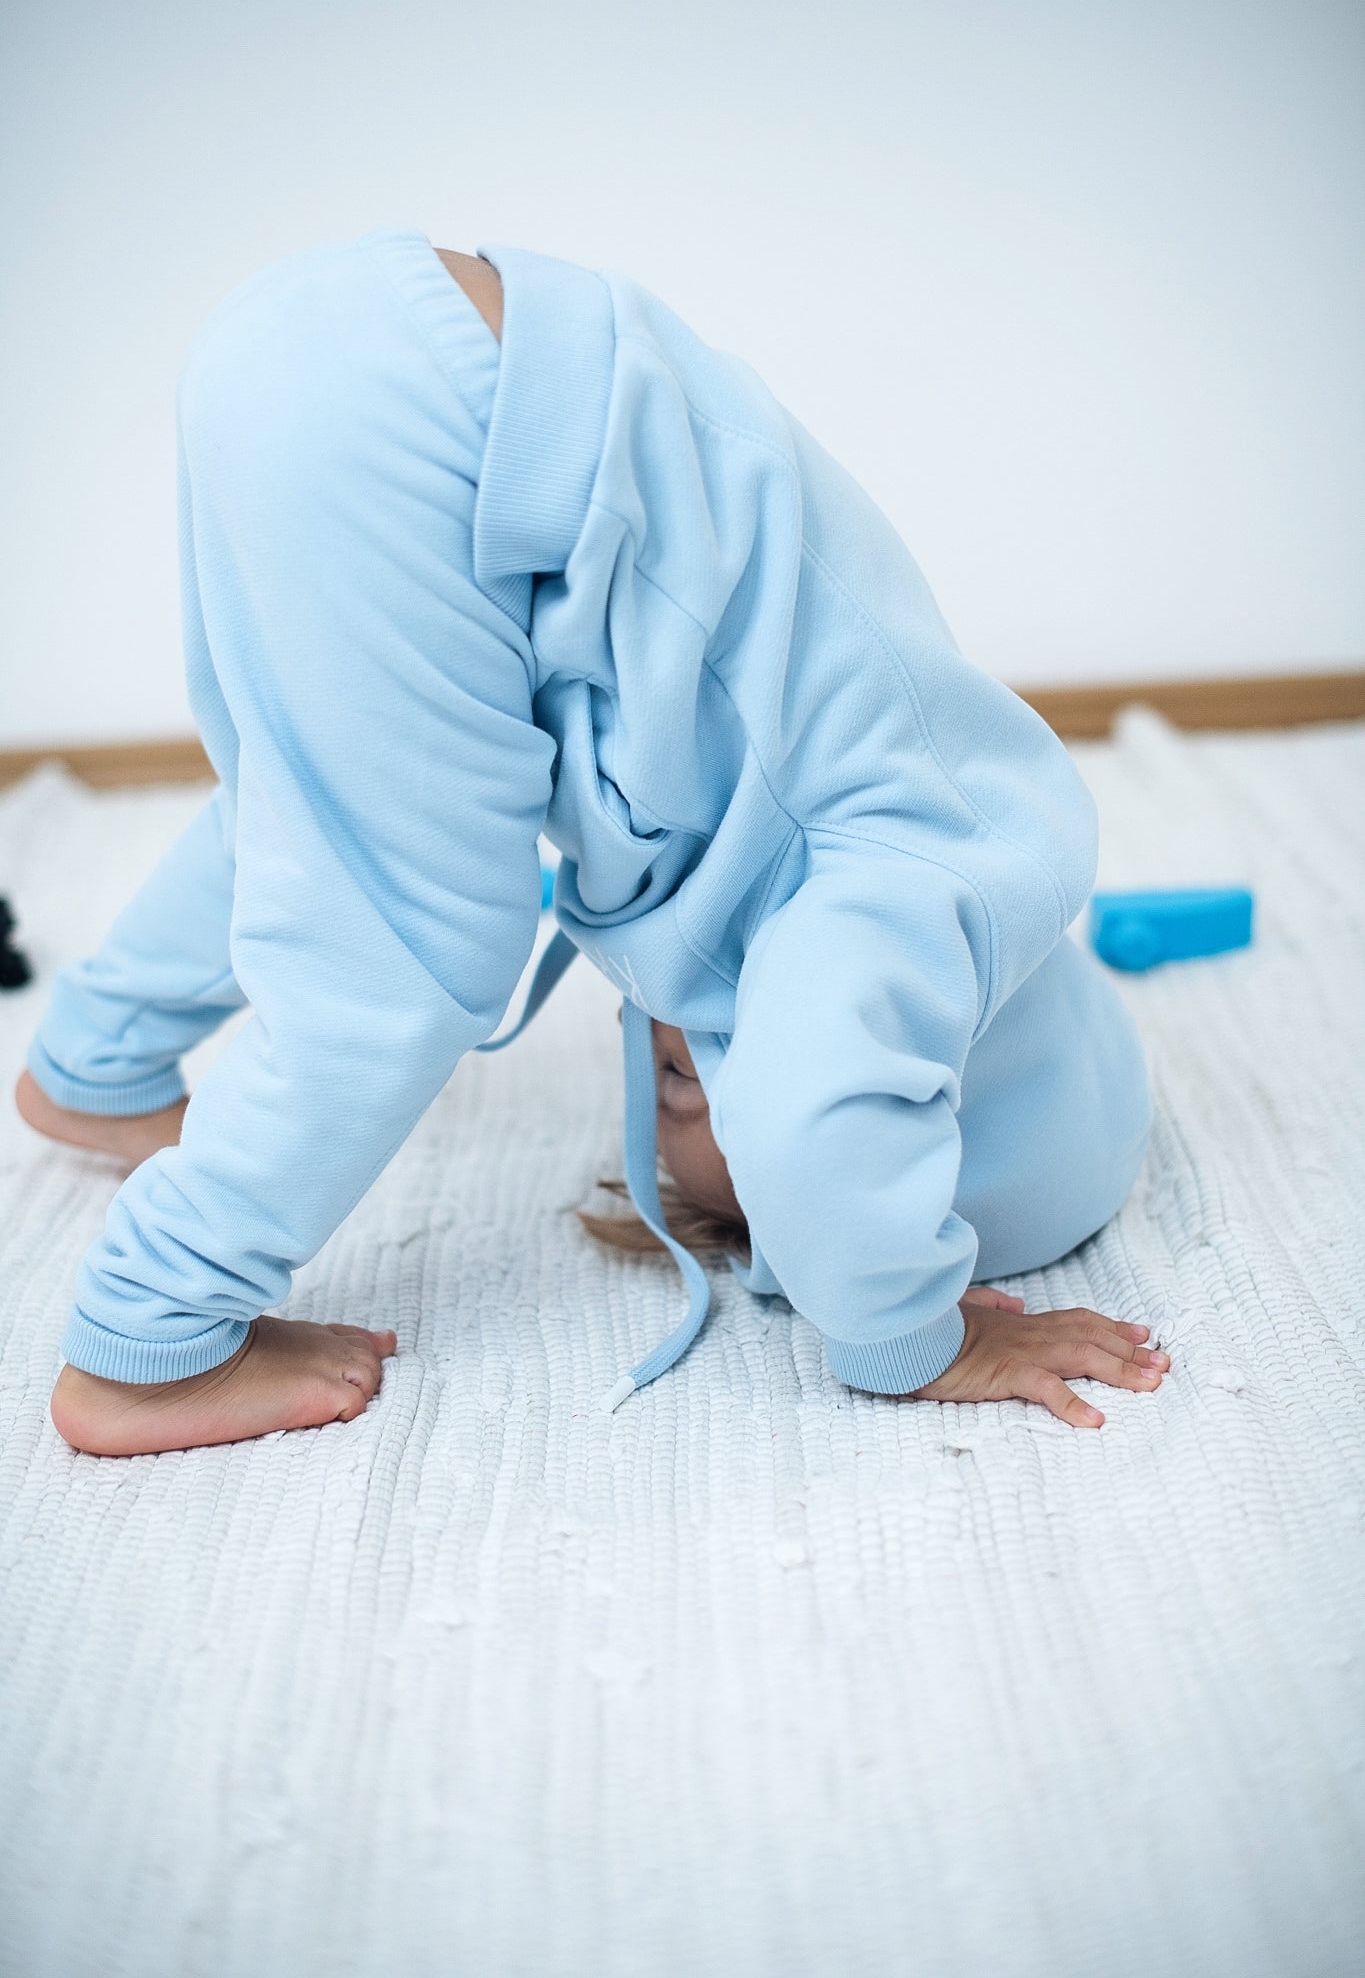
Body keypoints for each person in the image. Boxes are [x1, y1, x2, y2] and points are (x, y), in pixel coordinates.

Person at [14, 232, 1167, 1457]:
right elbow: (821, 1126)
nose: (682, 1066)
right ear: (946, 1059)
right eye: (709, 1074)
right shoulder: (905, 877)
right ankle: (149, 1333)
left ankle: (100, 1058)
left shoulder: (881, 766)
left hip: (353, 340)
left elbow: (328, 812)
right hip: (433, 423)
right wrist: (918, 1331)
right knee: (411, 943)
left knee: (316, 799)